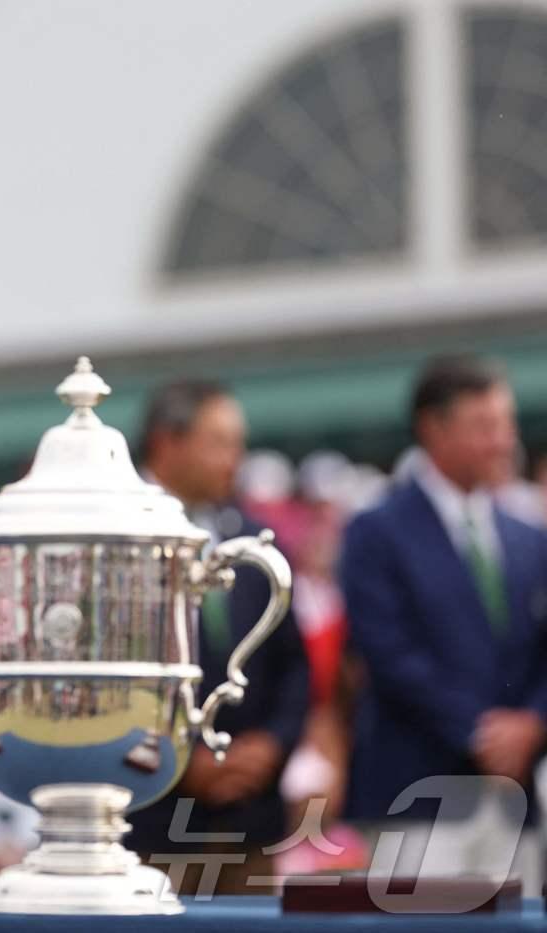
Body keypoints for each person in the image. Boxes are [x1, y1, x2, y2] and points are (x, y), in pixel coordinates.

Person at [341, 354, 547, 889]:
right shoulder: (376, 533)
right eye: (484, 427)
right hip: (417, 793)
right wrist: (482, 734)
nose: (503, 441)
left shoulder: (530, 538)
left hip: (514, 797)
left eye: (505, 424)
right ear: (434, 428)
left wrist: (532, 724)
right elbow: (389, 653)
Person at [125, 379, 309, 895]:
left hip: (250, 822)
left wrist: (270, 747)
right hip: (151, 824)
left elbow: (293, 667)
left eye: (237, 443)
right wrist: (179, 760)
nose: (235, 459)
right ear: (167, 442)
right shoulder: (117, 538)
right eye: (219, 442)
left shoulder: (258, 545)